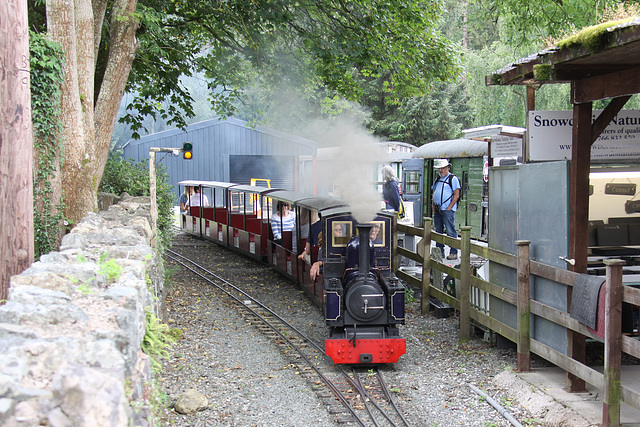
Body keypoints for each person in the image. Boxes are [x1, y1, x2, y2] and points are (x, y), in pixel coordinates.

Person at [431, 159, 460, 260]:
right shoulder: (438, 179)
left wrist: (449, 208)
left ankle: (453, 252)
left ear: (447, 168)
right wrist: (433, 205)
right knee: (438, 231)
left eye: (442, 168)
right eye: (439, 168)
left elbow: (456, 195)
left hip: (447, 209)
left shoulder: (453, 179)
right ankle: (440, 252)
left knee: (450, 231)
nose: (441, 170)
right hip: (439, 209)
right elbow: (434, 193)